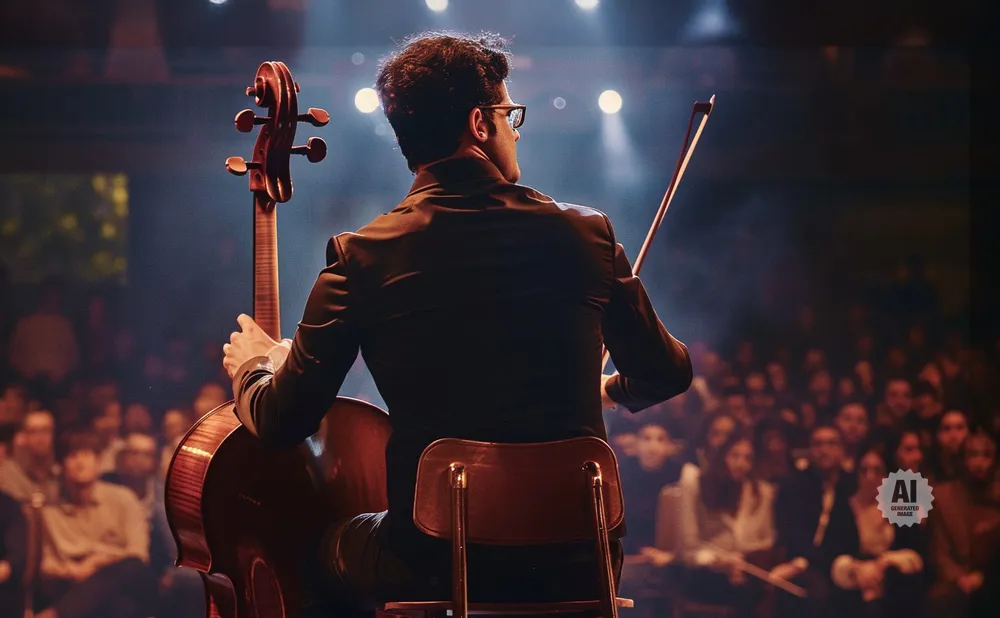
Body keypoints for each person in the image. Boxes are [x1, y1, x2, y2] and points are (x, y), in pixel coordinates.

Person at [220, 31, 692, 615]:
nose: (515, 129)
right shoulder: (585, 234)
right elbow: (667, 373)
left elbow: (282, 419)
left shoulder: (363, 256)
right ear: (479, 122)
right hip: (581, 556)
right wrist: (612, 389)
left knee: (311, 552)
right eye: (508, 114)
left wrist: (255, 366)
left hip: (437, 560)